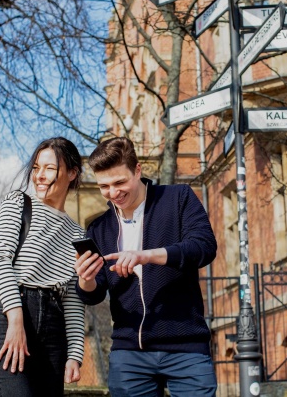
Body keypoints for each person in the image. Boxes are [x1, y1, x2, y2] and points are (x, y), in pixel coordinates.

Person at [74, 137, 217, 397]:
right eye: (104, 186)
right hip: (129, 354)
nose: (113, 193)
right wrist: (86, 279)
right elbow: (93, 294)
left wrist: (148, 255)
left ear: (138, 170)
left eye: (119, 182)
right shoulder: (99, 228)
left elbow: (204, 247)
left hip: (186, 347)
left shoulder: (178, 198)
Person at [0, 137, 86, 397]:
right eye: (36, 167)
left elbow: (73, 298)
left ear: (72, 173)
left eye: (50, 168)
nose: (40, 175)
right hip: (11, 314)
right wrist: (15, 320)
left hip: (53, 327)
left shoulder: (78, 233)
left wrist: (74, 354)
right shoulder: (17, 203)